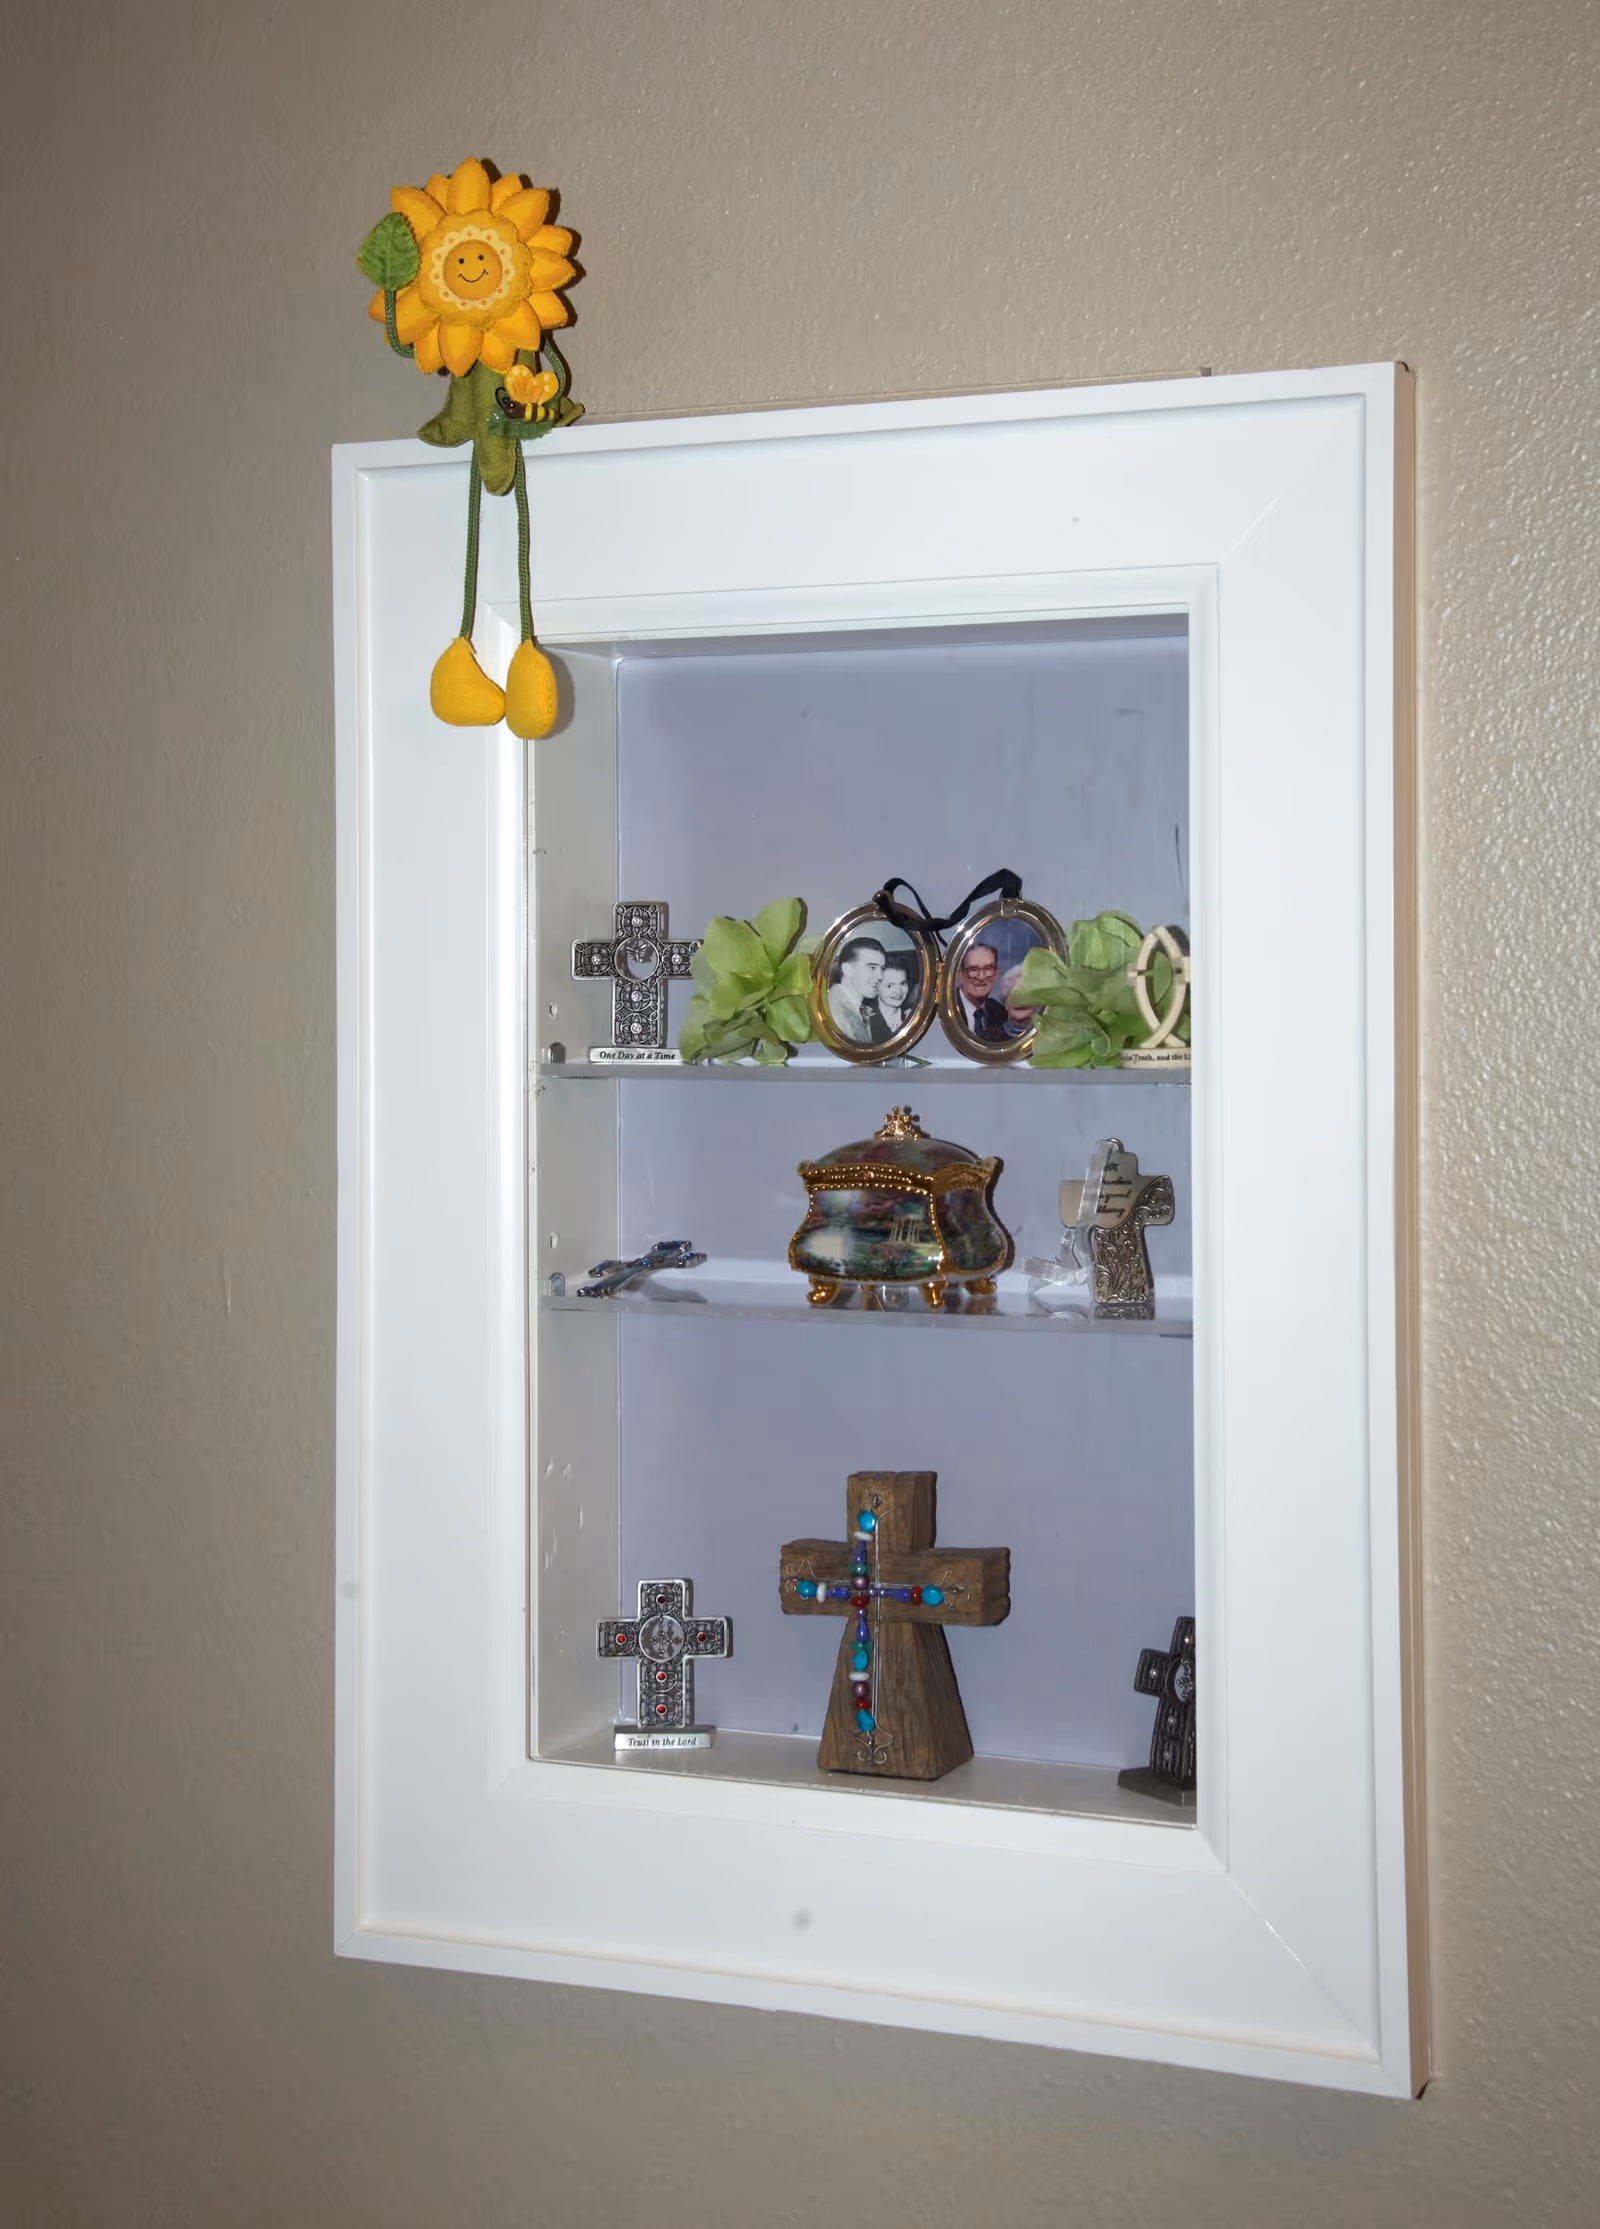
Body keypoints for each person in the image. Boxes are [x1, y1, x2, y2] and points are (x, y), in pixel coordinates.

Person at [827, 936, 886, 1045]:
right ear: (847, 969)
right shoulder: (835, 1013)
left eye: (882, 969)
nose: (880, 976)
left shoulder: (855, 1006)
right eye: (872, 967)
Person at [953, 942, 1012, 1042]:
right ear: (961, 974)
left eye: (988, 969)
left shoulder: (1001, 1013)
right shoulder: (948, 1008)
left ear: (996, 974)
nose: (981, 977)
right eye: (973, 969)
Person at [872, 956, 917, 1040]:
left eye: (902, 983)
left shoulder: (914, 1013)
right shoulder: (864, 1020)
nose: (898, 991)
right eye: (890, 986)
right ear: (876, 989)